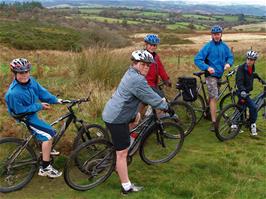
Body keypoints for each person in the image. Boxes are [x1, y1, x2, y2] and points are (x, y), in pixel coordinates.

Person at [102, 50, 170, 195]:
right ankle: (126, 186)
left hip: (116, 111)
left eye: (148, 65)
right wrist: (165, 106)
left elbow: (145, 94)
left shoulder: (132, 73)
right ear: (135, 63)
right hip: (117, 118)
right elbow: (150, 96)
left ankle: (124, 144)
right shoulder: (137, 80)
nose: (146, 67)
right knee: (122, 153)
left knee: (137, 117)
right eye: (143, 64)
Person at [5, 58, 62, 178]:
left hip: (31, 114)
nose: (24, 75)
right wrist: (39, 106)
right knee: (48, 136)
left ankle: (45, 149)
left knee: (50, 130)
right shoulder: (13, 93)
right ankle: (45, 167)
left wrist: (56, 100)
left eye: (26, 72)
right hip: (24, 117)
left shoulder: (31, 81)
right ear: (15, 74)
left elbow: (42, 93)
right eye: (21, 73)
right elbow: (19, 111)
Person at [194, 25, 234, 131]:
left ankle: (207, 112)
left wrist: (228, 64)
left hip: (219, 75)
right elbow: (197, 59)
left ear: (221, 35)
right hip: (210, 76)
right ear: (212, 35)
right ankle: (214, 122)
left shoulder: (224, 46)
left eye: (218, 34)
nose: (216, 36)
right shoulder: (208, 46)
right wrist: (207, 67)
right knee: (214, 97)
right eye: (214, 34)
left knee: (213, 96)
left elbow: (230, 57)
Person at [236, 50, 260, 136]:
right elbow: (239, 81)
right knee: (253, 107)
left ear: (254, 61)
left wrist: (261, 79)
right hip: (241, 91)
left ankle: (235, 125)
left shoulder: (252, 68)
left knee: (241, 108)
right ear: (246, 59)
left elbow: (253, 74)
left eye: (252, 59)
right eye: (248, 59)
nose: (249, 61)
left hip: (246, 92)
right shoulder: (241, 68)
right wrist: (242, 90)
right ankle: (252, 125)